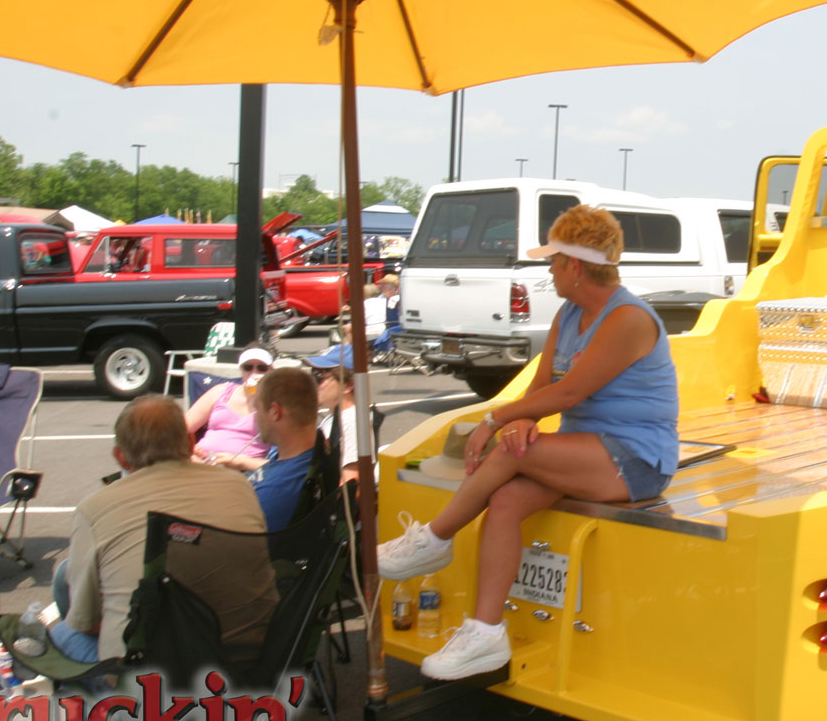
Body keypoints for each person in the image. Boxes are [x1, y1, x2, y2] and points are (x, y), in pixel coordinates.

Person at [377, 205, 678, 681]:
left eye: (553, 262)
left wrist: (497, 420)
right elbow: (542, 384)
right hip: (585, 449)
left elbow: (571, 391)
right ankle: (485, 632)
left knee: (513, 452)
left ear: (574, 266)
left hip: (636, 459)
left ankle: (436, 538)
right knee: (505, 501)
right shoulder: (570, 311)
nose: (549, 272)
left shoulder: (628, 319)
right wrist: (521, 419)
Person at [49, 395, 273, 663]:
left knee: (61, 635)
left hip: (149, 682)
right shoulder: (238, 486)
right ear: (190, 442)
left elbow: (85, 623)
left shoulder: (94, 510)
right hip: (247, 659)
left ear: (121, 458)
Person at [247, 366, 321, 530]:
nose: (255, 418)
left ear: (275, 412)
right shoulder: (318, 453)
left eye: (257, 409)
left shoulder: (276, 490)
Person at [184, 347, 273, 471]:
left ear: (271, 371)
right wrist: (190, 450)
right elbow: (180, 429)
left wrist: (241, 461)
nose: (254, 372)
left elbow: (284, 461)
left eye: (261, 368)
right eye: (248, 367)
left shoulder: (276, 404)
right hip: (200, 461)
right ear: (241, 370)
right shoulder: (221, 391)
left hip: (242, 470)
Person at [305, 344, 360, 486]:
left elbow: (351, 484)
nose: (313, 384)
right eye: (313, 374)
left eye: (319, 377)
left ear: (348, 385)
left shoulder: (353, 422)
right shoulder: (332, 419)